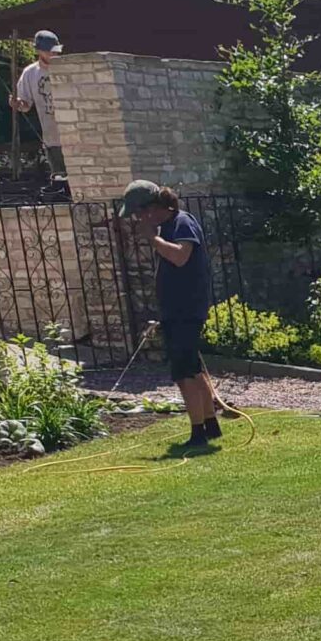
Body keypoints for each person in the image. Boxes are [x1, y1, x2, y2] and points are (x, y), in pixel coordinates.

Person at [118, 180, 225, 445]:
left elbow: (180, 257)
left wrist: (152, 238)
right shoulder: (168, 226)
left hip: (186, 310)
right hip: (176, 311)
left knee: (183, 372)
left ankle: (197, 432)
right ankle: (211, 425)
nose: (139, 219)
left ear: (153, 208)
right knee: (193, 369)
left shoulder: (181, 223)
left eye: (140, 213)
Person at [11, 31, 60, 171]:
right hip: (52, 138)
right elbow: (25, 105)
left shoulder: (69, 68)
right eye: (49, 51)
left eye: (55, 50)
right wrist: (17, 104)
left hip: (77, 138)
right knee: (59, 178)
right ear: (39, 51)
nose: (53, 54)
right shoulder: (30, 73)